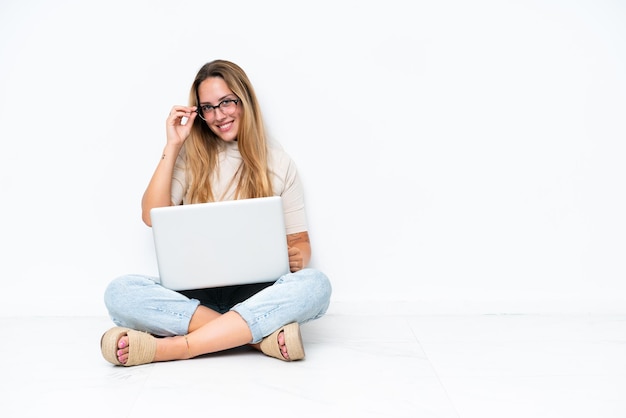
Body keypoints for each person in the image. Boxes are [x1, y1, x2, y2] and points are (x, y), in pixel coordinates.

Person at [100, 59, 332, 366]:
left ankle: (179, 347)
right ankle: (258, 340)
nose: (218, 115)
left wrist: (298, 256)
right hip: (196, 297)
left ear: (244, 99)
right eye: (207, 107)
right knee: (121, 293)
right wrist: (173, 144)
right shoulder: (188, 157)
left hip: (256, 294)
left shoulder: (278, 163)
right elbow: (150, 215)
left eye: (226, 103)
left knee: (316, 286)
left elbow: (301, 242)